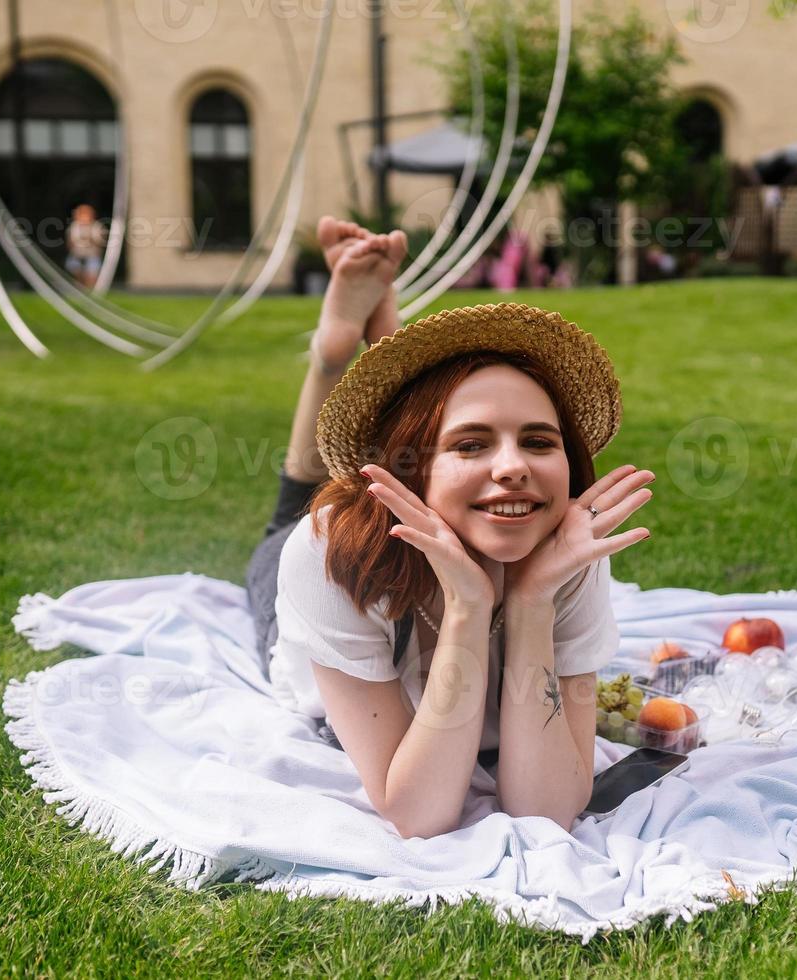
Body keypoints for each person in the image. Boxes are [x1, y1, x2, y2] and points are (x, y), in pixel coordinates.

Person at [246, 216, 655, 838]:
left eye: (539, 441)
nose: (515, 467)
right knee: (293, 509)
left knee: (426, 425)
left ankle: (387, 345)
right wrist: (467, 604)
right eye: (472, 444)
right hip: (355, 548)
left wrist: (532, 598)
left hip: (419, 502)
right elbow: (416, 812)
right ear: (411, 468)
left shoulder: (567, 548)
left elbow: (546, 809)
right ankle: (333, 352)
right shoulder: (331, 554)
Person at [64, 204, 106, 288]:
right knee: (76, 270)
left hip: (92, 254)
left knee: (92, 273)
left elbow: (101, 241)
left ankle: (91, 289)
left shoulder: (96, 226)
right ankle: (80, 287)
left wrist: (91, 238)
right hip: (77, 254)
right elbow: (70, 241)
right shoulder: (74, 226)